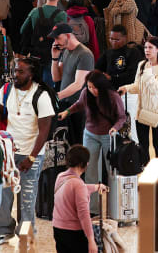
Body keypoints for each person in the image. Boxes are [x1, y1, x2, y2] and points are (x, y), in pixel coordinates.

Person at [0, 57, 56, 236]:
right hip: (8, 152)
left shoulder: (41, 96)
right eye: (14, 70)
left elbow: (44, 131)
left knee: (27, 197)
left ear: (31, 74)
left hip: (31, 153)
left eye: (20, 71)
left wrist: (32, 157)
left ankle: (26, 233)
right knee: (3, 192)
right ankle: (3, 230)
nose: (15, 75)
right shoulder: (7, 89)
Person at [56, 71, 125, 212]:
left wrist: (115, 128)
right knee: (89, 169)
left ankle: (114, 208)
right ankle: (93, 209)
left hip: (108, 136)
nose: (92, 90)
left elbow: (121, 117)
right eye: (89, 87)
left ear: (102, 86)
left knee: (111, 170)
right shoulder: (86, 94)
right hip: (90, 134)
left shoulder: (113, 97)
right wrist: (66, 112)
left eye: (94, 87)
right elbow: (79, 104)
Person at [119, 36, 158, 159]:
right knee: (143, 145)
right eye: (146, 47)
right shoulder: (142, 64)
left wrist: (148, 72)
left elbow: (156, 89)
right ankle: (145, 171)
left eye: (150, 47)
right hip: (141, 112)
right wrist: (126, 88)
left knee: (157, 145)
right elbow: (138, 86)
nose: (147, 50)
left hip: (157, 114)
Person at [52, 145, 107, 253]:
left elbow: (74, 189)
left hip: (58, 228)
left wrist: (96, 187)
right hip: (73, 233)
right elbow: (84, 215)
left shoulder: (61, 177)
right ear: (84, 164)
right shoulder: (78, 185)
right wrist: (91, 240)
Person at [50, 22, 95, 144]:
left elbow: (78, 84)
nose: (56, 41)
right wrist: (54, 58)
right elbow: (56, 78)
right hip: (66, 104)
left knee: (79, 142)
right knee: (68, 142)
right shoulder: (65, 51)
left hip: (79, 106)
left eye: (58, 37)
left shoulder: (84, 54)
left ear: (68, 35)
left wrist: (56, 96)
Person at [95, 25, 144, 89]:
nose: (113, 42)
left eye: (117, 40)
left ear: (125, 38)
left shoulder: (133, 52)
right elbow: (97, 68)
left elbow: (132, 75)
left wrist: (112, 78)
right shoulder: (108, 52)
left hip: (127, 91)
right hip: (109, 89)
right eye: (111, 39)